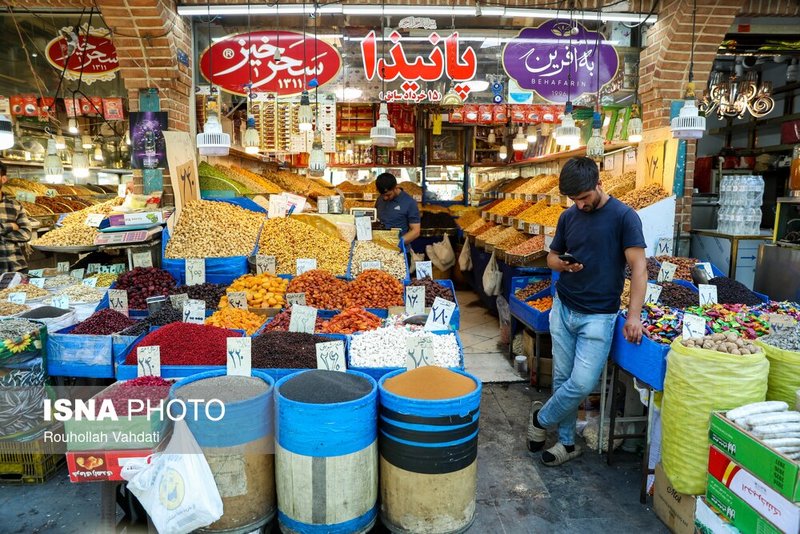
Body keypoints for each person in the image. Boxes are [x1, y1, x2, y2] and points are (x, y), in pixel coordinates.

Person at [527, 157, 647, 466]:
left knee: (581, 383)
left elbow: (639, 267)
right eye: (574, 200)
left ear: (599, 184)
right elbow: (551, 258)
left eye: (584, 198)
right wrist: (563, 264)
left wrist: (633, 315)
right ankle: (566, 443)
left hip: (599, 315)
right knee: (562, 378)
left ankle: (540, 419)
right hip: (564, 307)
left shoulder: (624, 217)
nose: (580, 204)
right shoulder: (569, 217)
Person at [0, 163, 34, 273]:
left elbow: (26, 234)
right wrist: (10, 226)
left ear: (3, 179)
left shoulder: (15, 205)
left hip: (18, 267)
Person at [375, 172, 421, 244]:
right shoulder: (380, 199)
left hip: (399, 249)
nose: (385, 198)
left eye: (388, 195)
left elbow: (415, 231)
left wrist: (399, 242)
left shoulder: (409, 202)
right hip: (380, 246)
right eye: (382, 195)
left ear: (395, 188)